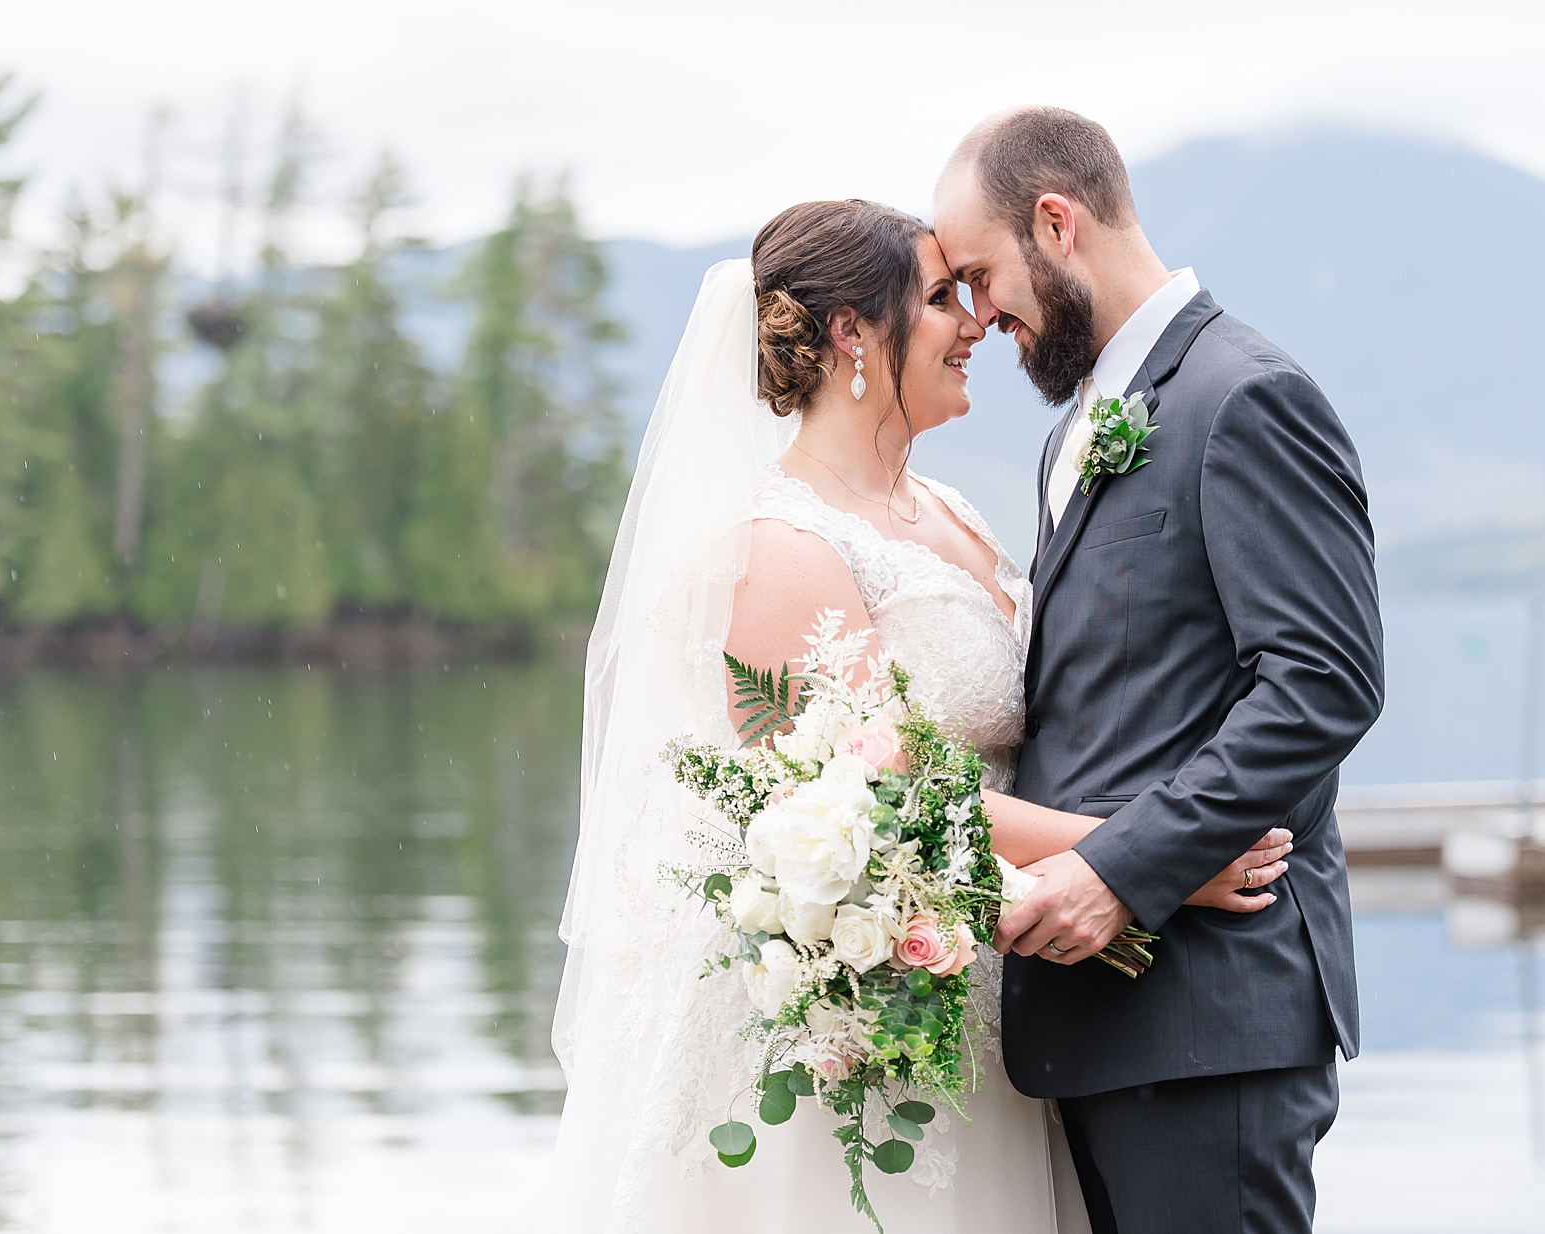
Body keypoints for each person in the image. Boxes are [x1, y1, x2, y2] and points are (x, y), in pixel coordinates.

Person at [547, 195, 1294, 1232]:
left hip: (1006, 989)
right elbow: (884, 800)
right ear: (852, 331)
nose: (976, 323)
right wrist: (1155, 855)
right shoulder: (779, 547)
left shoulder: (956, 515)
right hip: (879, 1027)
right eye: (943, 298)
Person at [932, 107, 1385, 1234]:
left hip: (1211, 1016)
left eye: (984, 276)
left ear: (1057, 223)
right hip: (1096, 1024)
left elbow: (1322, 682)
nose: (981, 316)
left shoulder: (1244, 396)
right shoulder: (1071, 429)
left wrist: (1117, 871)